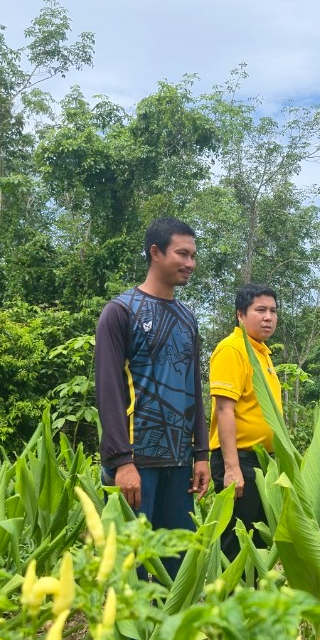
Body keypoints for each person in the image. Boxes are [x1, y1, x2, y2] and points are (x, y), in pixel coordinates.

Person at [94, 217, 209, 576]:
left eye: (193, 255)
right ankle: (129, 636)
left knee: (177, 567)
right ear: (155, 253)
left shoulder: (187, 319)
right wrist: (121, 462)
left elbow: (194, 388)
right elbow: (108, 389)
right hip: (135, 463)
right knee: (132, 569)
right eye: (182, 253)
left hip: (179, 462)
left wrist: (202, 454)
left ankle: (173, 634)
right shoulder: (121, 312)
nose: (190, 263)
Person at [208, 283, 282, 560]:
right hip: (240, 461)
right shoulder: (232, 350)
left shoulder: (261, 353)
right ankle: (232, 602)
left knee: (258, 542)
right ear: (241, 315)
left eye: (273, 311)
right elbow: (224, 410)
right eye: (260, 310)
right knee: (237, 542)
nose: (268, 317)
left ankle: (252, 599)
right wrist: (232, 468)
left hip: (263, 462)